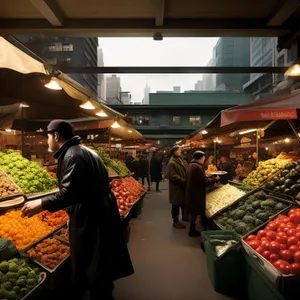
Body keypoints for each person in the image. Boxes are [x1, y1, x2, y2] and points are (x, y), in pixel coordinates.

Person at [21, 120, 134, 300]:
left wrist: (41, 203)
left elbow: (69, 193)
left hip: (92, 215)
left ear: (56, 136)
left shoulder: (72, 155)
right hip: (101, 211)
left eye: (48, 136)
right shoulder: (86, 151)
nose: (46, 141)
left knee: (94, 264)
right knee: (101, 264)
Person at [185, 151, 218, 237]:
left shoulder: (190, 165)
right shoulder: (198, 167)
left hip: (191, 191)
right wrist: (215, 179)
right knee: (195, 211)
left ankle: (192, 229)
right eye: (203, 157)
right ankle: (192, 231)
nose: (204, 159)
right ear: (200, 158)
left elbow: (198, 179)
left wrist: (208, 176)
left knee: (193, 212)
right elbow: (203, 182)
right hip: (196, 193)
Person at [166, 145, 188, 229]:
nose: (180, 151)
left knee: (182, 202)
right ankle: (175, 221)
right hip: (176, 188)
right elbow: (171, 176)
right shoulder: (172, 162)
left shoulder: (181, 160)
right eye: (178, 150)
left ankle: (184, 217)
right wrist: (183, 180)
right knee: (175, 204)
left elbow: (186, 168)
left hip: (182, 186)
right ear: (174, 152)